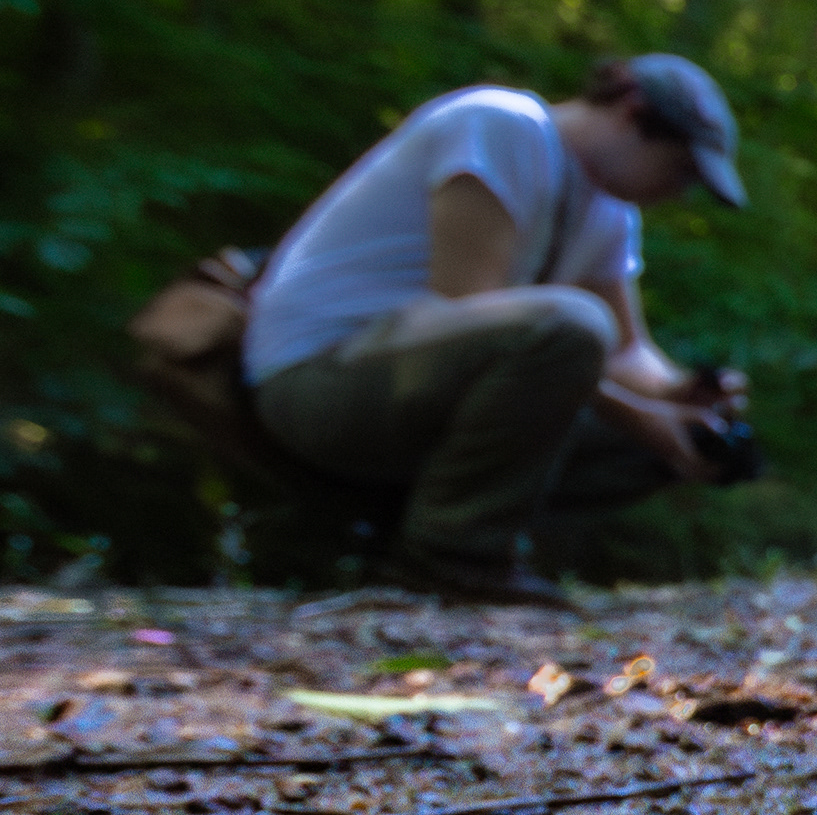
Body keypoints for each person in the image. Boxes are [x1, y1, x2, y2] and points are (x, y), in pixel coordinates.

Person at [245, 55, 754, 606]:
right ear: (633, 114)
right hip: (318, 381)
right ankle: (449, 557)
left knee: (658, 442)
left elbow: (628, 355)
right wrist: (640, 416)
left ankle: (414, 538)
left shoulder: (609, 213)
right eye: (680, 169)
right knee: (574, 326)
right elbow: (467, 309)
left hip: (418, 385)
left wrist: (686, 399)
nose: (680, 192)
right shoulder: (501, 125)